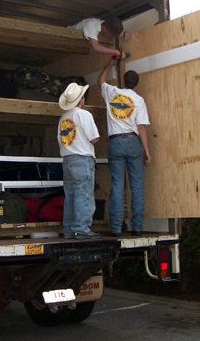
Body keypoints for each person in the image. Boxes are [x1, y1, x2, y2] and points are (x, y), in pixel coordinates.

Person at [97, 57, 151, 237]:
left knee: (118, 185)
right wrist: (146, 152)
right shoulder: (139, 100)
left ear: (123, 82)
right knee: (136, 187)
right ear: (136, 84)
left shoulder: (112, 92)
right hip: (133, 141)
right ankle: (137, 227)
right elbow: (141, 127)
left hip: (116, 143)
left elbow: (100, 81)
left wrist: (109, 64)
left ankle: (115, 228)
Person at [57, 82, 101, 240]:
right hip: (82, 159)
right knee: (84, 195)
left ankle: (69, 230)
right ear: (81, 99)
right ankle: (81, 229)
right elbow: (94, 138)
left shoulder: (63, 118)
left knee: (70, 197)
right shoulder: (84, 115)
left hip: (67, 159)